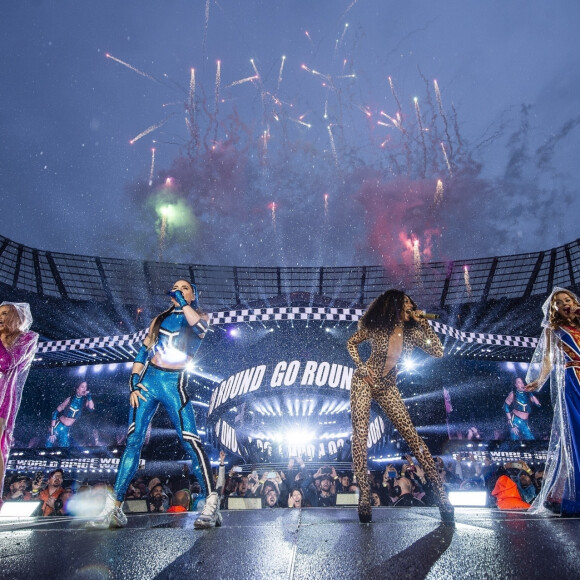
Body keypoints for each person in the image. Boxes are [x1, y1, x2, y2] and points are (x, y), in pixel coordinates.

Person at [88, 280, 221, 529]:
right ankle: (115, 507)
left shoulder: (199, 315)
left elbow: (201, 328)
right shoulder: (159, 318)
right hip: (149, 381)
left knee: (189, 439)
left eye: (185, 288)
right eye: (175, 287)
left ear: (193, 295)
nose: (178, 290)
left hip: (174, 383)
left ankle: (211, 500)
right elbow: (143, 350)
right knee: (134, 440)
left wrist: (183, 304)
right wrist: (134, 382)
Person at [347, 289, 453, 523]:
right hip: (364, 381)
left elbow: (438, 351)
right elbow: (351, 343)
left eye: (410, 303)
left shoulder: (412, 333)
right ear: (394, 306)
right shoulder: (378, 327)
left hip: (387, 387)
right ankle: (364, 494)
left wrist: (424, 323)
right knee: (361, 433)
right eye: (404, 303)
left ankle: (442, 496)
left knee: (414, 438)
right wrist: (360, 366)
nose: (409, 306)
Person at [525, 287, 580, 516]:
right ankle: (570, 496)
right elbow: (548, 359)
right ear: (554, 308)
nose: (565, 303)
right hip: (573, 382)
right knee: (575, 436)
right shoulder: (553, 330)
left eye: (568, 299)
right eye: (559, 302)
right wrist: (539, 380)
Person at [0, 302, 38, 506]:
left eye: (5, 313)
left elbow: (6, 363)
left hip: (2, 398)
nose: (0, 316)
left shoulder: (26, 338)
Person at [46, 381, 95, 447]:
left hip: (67, 429)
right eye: (82, 387)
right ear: (77, 389)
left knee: (64, 448)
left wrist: (89, 397)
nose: (84, 389)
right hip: (58, 426)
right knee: (48, 446)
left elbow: (91, 409)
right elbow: (54, 413)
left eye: (86, 387)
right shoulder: (70, 399)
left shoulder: (84, 401)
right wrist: (52, 432)